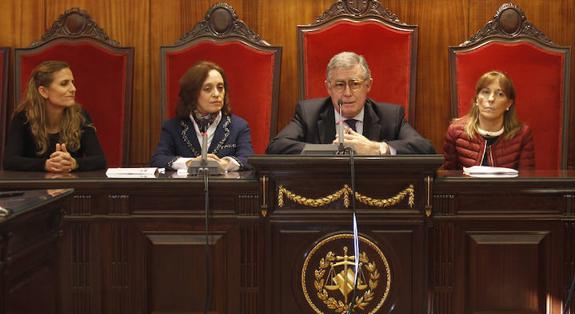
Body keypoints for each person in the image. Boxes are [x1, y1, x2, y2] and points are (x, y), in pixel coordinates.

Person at [266, 51, 435, 155]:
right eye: (340, 85)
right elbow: (277, 146)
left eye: (355, 84)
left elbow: (425, 149)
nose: (347, 93)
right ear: (328, 87)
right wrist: (330, 152)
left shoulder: (390, 116)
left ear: (368, 85)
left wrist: (376, 149)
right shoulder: (308, 113)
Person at [3, 60, 106, 172]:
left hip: (72, 186)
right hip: (35, 187)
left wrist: (73, 163)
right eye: (64, 83)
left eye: (72, 82)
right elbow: (10, 161)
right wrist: (46, 165)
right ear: (43, 92)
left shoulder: (80, 114)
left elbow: (100, 160)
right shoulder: (23, 117)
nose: (73, 89)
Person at [150, 61, 253, 171]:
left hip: (225, 187)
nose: (217, 94)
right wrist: (190, 163)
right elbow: (158, 159)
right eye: (207, 89)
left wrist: (225, 164)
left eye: (220, 87)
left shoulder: (238, 126)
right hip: (186, 187)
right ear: (192, 93)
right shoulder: (173, 127)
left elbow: (249, 160)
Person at [442, 70, 535, 170]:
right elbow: (448, 178)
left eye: (500, 94)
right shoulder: (455, 132)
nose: (491, 99)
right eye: (485, 92)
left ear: (509, 103)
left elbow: (526, 181)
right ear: (476, 99)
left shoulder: (522, 135)